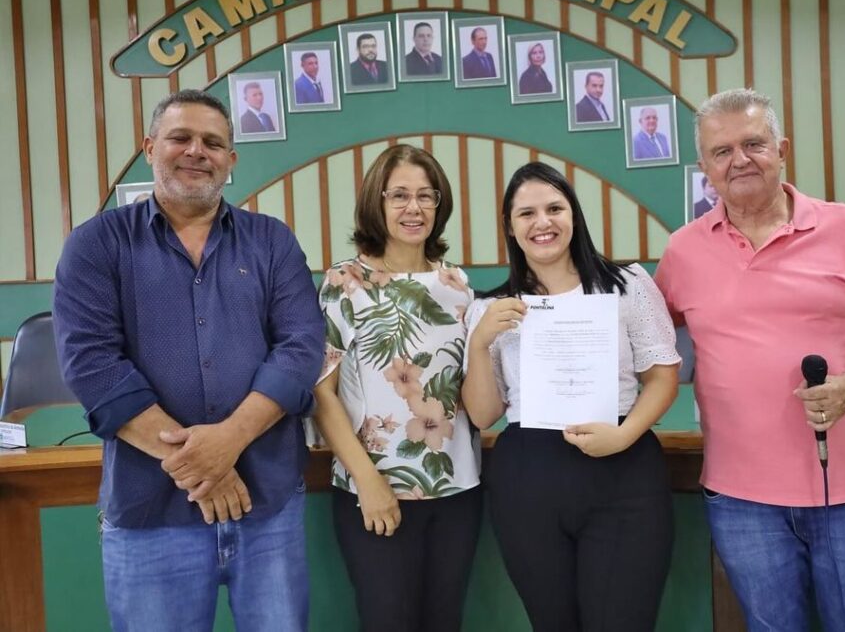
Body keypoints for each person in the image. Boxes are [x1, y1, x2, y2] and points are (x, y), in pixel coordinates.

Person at [52, 89, 324, 631]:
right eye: (181, 138)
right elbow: (92, 364)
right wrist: (204, 468)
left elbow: (300, 347)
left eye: (213, 142)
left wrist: (227, 441)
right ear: (151, 147)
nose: (197, 151)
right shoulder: (96, 244)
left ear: (231, 160)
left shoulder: (271, 242)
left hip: (268, 508)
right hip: (151, 514)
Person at [654, 88, 845, 632]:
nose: (739, 160)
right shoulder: (683, 251)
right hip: (740, 500)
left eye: (753, 143)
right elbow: (649, 340)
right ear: (704, 167)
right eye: (722, 151)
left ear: (781, 148)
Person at [462, 162, 680, 631]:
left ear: (574, 216)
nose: (543, 222)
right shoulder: (490, 308)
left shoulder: (628, 286)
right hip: (528, 480)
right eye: (527, 214)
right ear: (511, 228)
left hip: (623, 470)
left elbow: (662, 377)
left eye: (554, 208)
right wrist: (479, 344)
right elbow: (482, 414)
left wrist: (623, 437)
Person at [313, 144, 482, 631]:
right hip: (375, 491)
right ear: (376, 202)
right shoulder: (345, 282)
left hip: (458, 490)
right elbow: (322, 395)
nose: (415, 208)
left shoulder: (457, 284)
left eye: (426, 196)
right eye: (400, 195)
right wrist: (368, 482)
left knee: (444, 621)